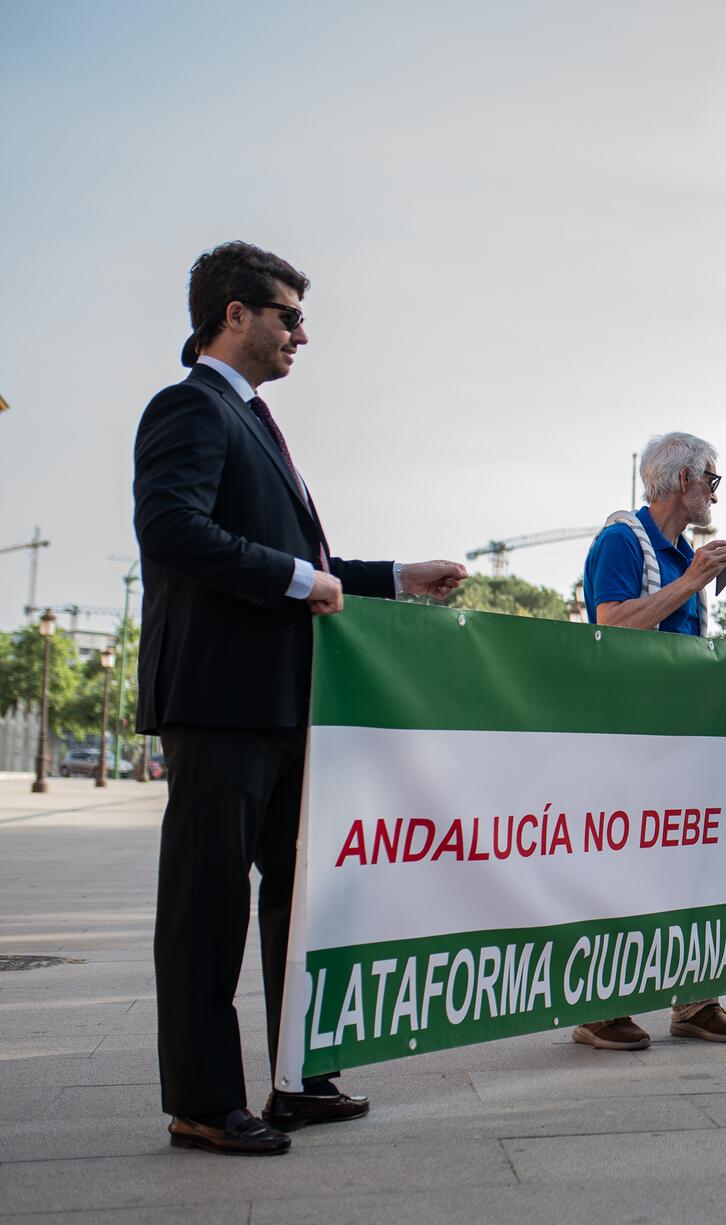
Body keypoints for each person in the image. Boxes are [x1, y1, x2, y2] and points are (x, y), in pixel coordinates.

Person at [135, 242, 468, 1155]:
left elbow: (310, 570)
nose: (302, 334)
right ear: (233, 314)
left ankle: (295, 1076)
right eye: (287, 314)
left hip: (283, 702)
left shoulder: (255, 420)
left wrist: (397, 576)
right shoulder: (188, 407)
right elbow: (174, 530)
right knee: (207, 907)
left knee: (295, 899)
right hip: (218, 699)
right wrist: (293, 577)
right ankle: (203, 1098)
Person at [571, 431, 726, 1050]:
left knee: (694, 864)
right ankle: (599, 1007)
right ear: (684, 482)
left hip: (678, 737)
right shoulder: (622, 539)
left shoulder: (681, 553)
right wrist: (695, 579)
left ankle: (695, 999)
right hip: (626, 738)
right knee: (624, 868)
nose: (714, 495)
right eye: (712, 481)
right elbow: (612, 623)